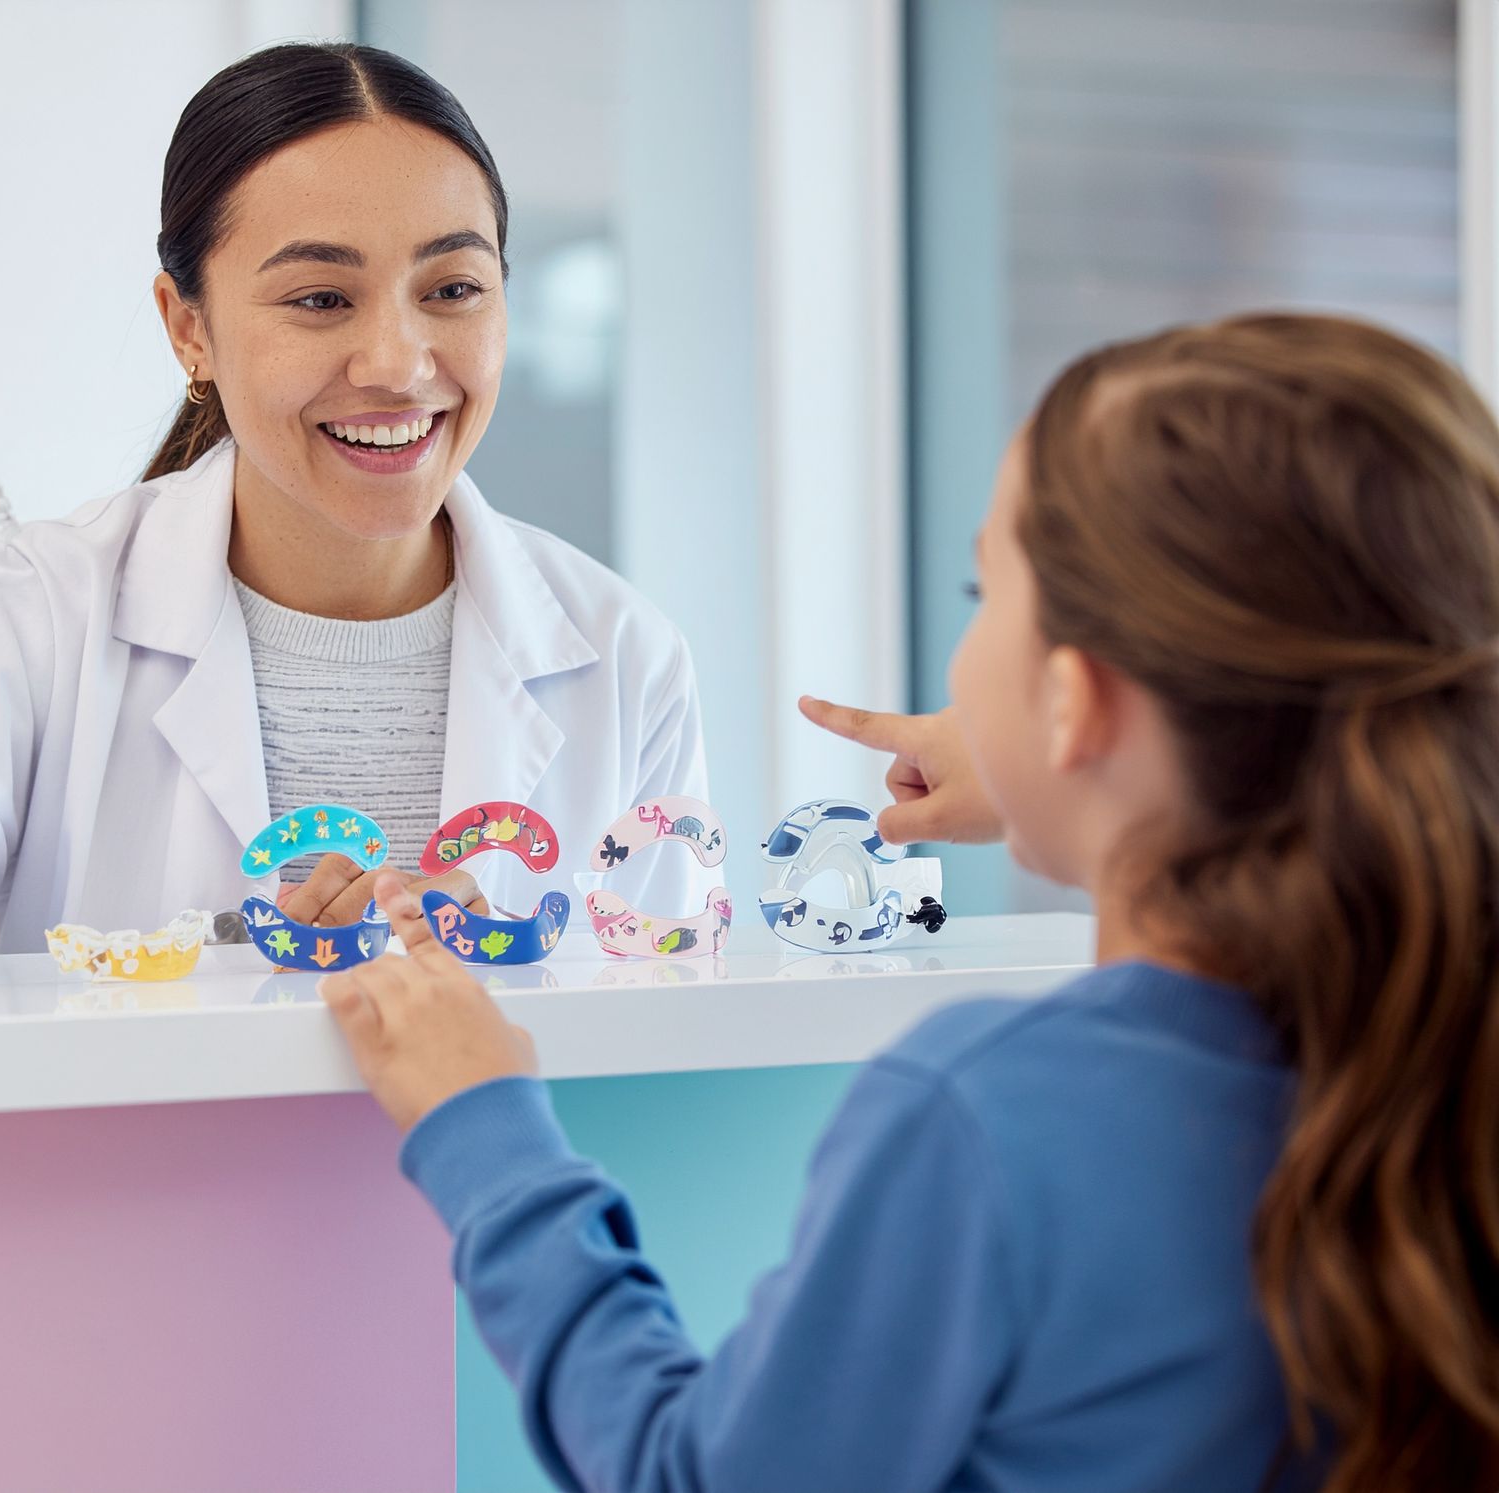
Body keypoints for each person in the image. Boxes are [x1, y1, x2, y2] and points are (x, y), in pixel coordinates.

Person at [321, 313, 1499, 1492]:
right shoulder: (1442, 1051)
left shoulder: (985, 1115)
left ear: (1078, 703)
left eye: (986, 590)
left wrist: (485, 1125)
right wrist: (1059, 774)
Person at [0, 43, 704, 965]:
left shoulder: (623, 658)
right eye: (321, 297)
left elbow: (673, 1021)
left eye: (453, 288)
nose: (396, 362)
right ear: (189, 328)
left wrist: (496, 980)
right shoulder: (42, 617)